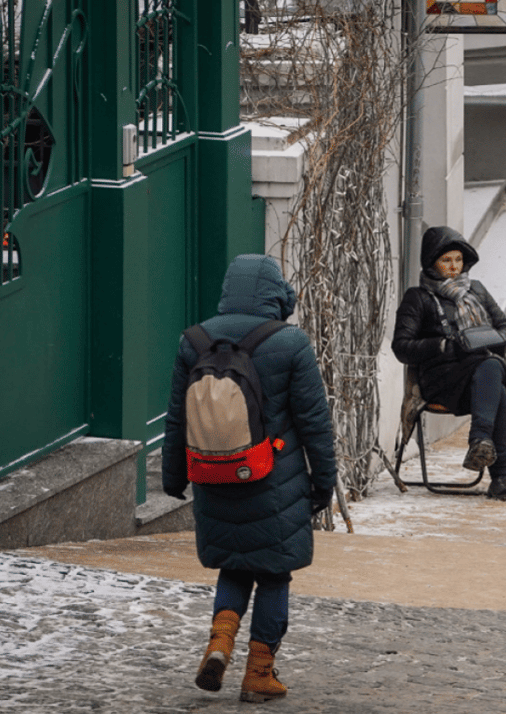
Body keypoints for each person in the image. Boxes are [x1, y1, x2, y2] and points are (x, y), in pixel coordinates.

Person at [162, 254, 336, 702]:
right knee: (274, 575)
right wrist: (324, 480)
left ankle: (220, 643)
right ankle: (259, 674)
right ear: (275, 292)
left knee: (234, 566)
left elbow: (178, 420)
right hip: (275, 479)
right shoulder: (290, 343)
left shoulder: (194, 340)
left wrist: (173, 477)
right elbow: (314, 420)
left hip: (213, 476)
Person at [391, 225, 506, 502]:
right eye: (446, 260)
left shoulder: (477, 290)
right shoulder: (418, 297)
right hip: (440, 380)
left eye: (458, 260)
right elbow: (401, 347)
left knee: (492, 372)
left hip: (479, 380)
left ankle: (481, 442)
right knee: (494, 377)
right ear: (432, 263)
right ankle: (500, 477)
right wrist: (444, 345)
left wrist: (491, 339)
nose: (453, 267)